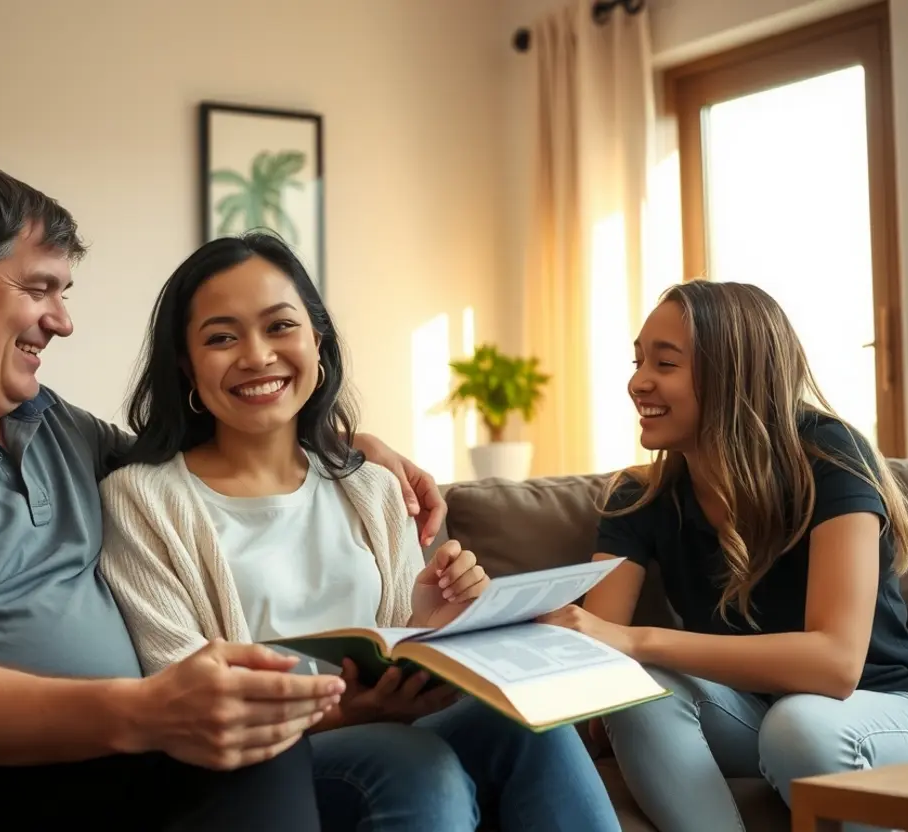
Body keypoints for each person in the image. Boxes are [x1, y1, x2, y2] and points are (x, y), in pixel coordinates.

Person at [0, 161, 449, 831]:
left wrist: (347, 447)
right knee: (248, 760)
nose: (62, 320)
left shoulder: (55, 428)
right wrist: (151, 711)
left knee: (400, 747)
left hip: (90, 764)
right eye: (38, 288)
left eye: (63, 293)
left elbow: (217, 452)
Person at [95, 230, 622, 832]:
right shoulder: (142, 498)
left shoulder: (370, 485)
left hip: (393, 730)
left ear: (316, 342)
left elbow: (395, 644)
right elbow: (183, 692)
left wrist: (432, 618)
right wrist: (347, 714)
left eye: (280, 326)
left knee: (535, 727)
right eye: (222, 337)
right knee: (414, 761)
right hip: (263, 766)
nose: (257, 355)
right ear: (186, 365)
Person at [538, 280, 908, 832]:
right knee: (636, 694)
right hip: (755, 712)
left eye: (665, 363)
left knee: (798, 725)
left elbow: (836, 664)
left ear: (732, 374)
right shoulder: (640, 498)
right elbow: (596, 655)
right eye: (638, 361)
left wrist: (636, 641)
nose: (638, 381)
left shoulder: (831, 456)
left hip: (889, 710)